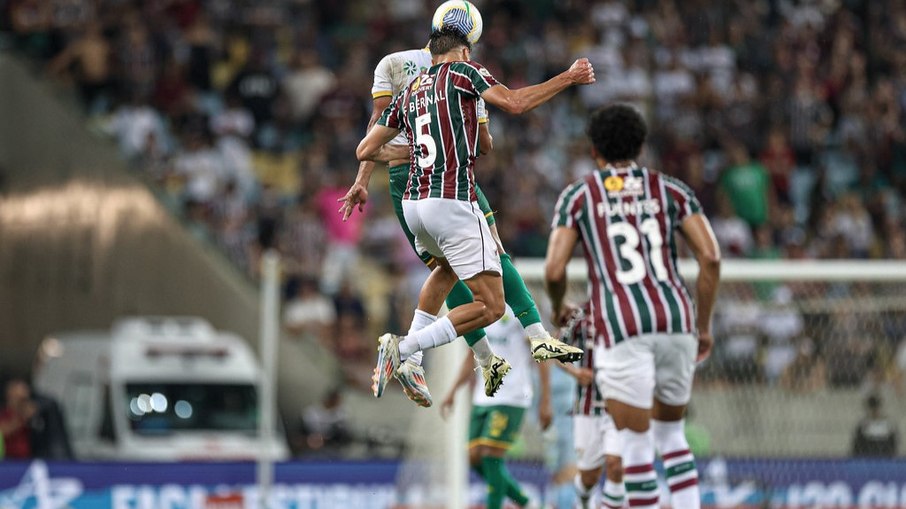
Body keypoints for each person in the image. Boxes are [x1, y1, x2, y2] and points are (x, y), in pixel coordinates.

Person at [340, 8, 584, 408]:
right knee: (492, 303)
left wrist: (381, 168)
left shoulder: (410, 85)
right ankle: (405, 347)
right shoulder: (465, 75)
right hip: (452, 198)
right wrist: (568, 77)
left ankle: (492, 352)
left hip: (412, 200)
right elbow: (516, 104)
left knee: (447, 270)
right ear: (465, 50)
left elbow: (365, 147)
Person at [544, 104, 721, 509]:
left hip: (621, 326)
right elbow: (710, 259)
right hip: (677, 319)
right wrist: (703, 326)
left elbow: (554, 269)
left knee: (635, 442)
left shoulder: (580, 195)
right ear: (641, 146)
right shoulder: (672, 190)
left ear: (594, 150)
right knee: (671, 436)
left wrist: (558, 307)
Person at [440, 306, 550, 509]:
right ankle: (527, 503)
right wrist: (453, 391)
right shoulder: (479, 308)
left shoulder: (519, 307)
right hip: (483, 397)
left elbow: (541, 354)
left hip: (512, 395)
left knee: (490, 456)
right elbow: (471, 355)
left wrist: (545, 400)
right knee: (474, 458)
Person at [558, 306, 624, 509]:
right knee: (589, 476)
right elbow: (554, 349)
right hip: (587, 407)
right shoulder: (581, 316)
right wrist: (576, 373)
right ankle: (584, 501)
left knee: (615, 465)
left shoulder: (628, 310)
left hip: (619, 405)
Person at [0, 378, 37, 460]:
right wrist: (22, 418)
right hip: (7, 461)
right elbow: (3, 430)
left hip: (29, 459)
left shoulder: (34, 414)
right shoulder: (4, 413)